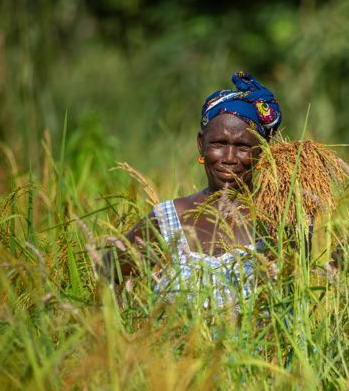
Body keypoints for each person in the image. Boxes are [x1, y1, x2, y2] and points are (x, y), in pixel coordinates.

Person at [103, 71, 282, 308]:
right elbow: (107, 270)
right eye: (219, 144)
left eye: (243, 147)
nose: (229, 158)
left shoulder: (276, 219)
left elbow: (297, 288)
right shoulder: (170, 219)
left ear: (261, 152)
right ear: (201, 145)